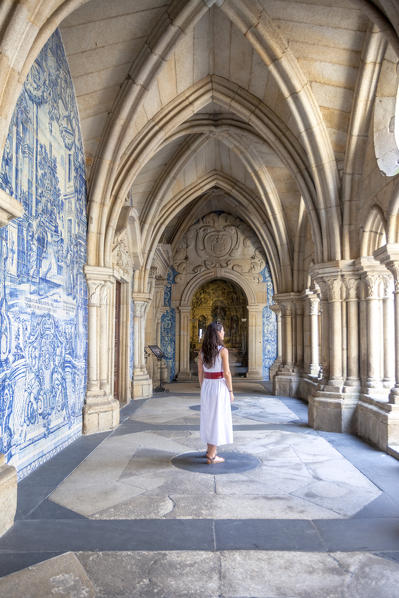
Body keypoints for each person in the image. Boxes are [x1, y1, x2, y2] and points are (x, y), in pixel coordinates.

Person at [198, 321, 234, 464]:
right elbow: (227, 373)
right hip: (219, 386)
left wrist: (203, 387)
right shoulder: (223, 351)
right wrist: (230, 390)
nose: (224, 333)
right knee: (217, 418)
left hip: (207, 385)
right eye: (223, 331)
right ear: (218, 333)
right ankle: (212, 455)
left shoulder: (202, 352)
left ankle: (209, 450)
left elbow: (200, 372)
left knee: (208, 417)